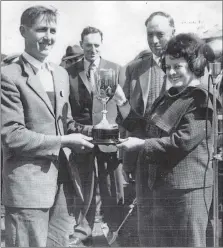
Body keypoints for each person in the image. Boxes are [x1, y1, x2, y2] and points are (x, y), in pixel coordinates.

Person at [1, 5, 94, 247]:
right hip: (27, 189)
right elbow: (12, 135)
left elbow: (66, 123)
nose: (49, 37)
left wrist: (95, 132)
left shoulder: (60, 73)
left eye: (53, 30)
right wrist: (65, 141)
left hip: (62, 184)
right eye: (41, 29)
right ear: (23, 31)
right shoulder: (8, 75)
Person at [113, 33, 218, 247]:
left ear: (194, 64)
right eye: (168, 67)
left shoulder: (200, 98)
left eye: (177, 66)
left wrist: (141, 145)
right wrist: (122, 102)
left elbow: (182, 141)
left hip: (188, 193)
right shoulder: (168, 96)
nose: (170, 72)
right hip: (161, 190)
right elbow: (146, 128)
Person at [66, 26, 124, 245]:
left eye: (96, 45)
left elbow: (123, 106)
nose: (92, 49)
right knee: (84, 186)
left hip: (110, 140)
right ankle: (83, 230)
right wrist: (84, 131)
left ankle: (113, 230)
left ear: (102, 44)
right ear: (81, 44)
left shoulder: (116, 69)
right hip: (84, 138)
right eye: (88, 45)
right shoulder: (69, 72)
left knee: (112, 187)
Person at [121, 11, 175, 181]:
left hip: (174, 159)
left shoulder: (188, 67)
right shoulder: (134, 69)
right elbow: (128, 120)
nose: (154, 41)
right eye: (150, 35)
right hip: (142, 157)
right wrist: (127, 160)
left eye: (160, 34)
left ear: (173, 32)